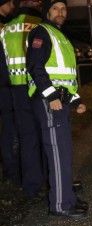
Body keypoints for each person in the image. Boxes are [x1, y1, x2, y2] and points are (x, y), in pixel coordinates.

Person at [27, 0, 88, 219]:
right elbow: (35, 66)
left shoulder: (60, 35)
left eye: (63, 9)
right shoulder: (42, 33)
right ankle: (60, 204)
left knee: (64, 151)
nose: (60, 12)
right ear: (46, 11)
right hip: (49, 102)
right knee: (57, 153)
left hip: (60, 102)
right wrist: (51, 95)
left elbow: (66, 78)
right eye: (55, 8)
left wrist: (75, 100)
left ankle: (67, 196)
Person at [0, 0, 45, 197]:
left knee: (25, 137)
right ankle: (46, 179)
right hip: (36, 86)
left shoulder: (6, 28)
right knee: (43, 134)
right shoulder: (41, 25)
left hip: (14, 88)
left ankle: (28, 183)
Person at [0, 0, 18, 185]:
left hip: (5, 84)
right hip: (6, 85)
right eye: (9, 2)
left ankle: (10, 167)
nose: (12, 6)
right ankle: (11, 168)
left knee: (9, 125)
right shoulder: (4, 28)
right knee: (10, 126)